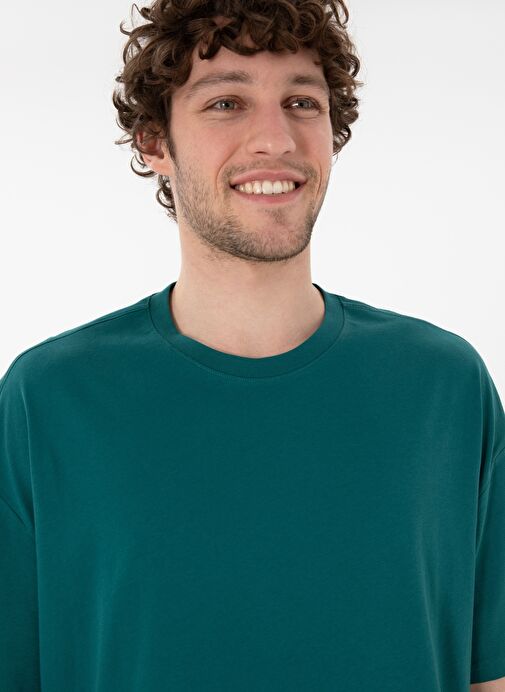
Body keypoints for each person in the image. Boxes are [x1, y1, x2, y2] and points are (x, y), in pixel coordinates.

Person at [1, 1, 504, 690]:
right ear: (154, 143)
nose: (275, 139)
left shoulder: (444, 387)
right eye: (226, 103)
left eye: (301, 102)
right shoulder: (50, 399)